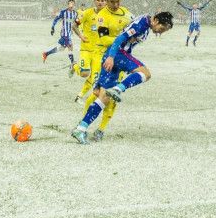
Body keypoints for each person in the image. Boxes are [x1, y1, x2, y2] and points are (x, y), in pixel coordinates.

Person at [71, 11, 174, 144]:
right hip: (117, 54)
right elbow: (119, 39)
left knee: (102, 96)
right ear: (155, 20)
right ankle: (118, 89)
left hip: (114, 55)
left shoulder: (145, 22)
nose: (160, 32)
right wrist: (111, 57)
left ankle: (80, 128)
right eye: (161, 28)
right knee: (145, 73)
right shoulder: (142, 24)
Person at [81, 0, 133, 141]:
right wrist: (122, 39)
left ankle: (101, 129)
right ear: (107, 0)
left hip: (121, 60)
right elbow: (103, 39)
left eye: (118, 1)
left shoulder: (128, 15)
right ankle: (83, 122)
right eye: (112, 2)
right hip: (105, 59)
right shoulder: (102, 16)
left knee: (110, 96)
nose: (115, 5)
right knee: (96, 93)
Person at [73, 0, 107, 103]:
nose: (100, 2)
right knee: (84, 73)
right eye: (98, 0)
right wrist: (81, 36)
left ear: (106, 2)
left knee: (95, 78)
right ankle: (74, 66)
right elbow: (74, 25)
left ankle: (80, 95)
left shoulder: (108, 15)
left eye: (102, 1)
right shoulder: (87, 13)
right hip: (86, 48)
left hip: (100, 51)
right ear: (94, 1)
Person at [42, 0, 85, 75]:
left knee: (61, 48)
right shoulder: (63, 12)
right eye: (70, 3)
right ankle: (72, 63)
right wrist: (52, 27)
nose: (71, 5)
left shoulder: (75, 13)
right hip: (64, 33)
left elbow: (77, 22)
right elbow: (56, 19)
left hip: (69, 33)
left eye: (72, 4)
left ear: (74, 5)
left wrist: (78, 24)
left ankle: (46, 54)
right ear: (68, 4)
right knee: (70, 46)